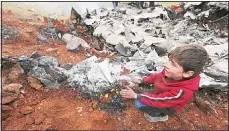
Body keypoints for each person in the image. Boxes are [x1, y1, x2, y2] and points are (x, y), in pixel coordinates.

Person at [120, 44, 209, 122]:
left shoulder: (182, 92)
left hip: (168, 105)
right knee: (143, 96)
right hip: (161, 94)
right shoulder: (170, 72)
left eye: (173, 64)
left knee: (140, 104)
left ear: (187, 73)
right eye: (169, 60)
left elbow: (160, 100)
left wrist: (136, 96)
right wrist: (141, 81)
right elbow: (158, 76)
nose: (166, 65)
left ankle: (159, 116)